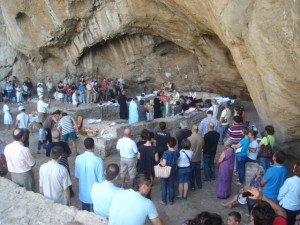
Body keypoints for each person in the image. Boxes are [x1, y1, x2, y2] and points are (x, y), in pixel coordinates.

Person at [75, 137, 104, 211]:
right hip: (95, 192)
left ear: (84, 146)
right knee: (96, 213)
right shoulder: (98, 160)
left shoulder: (78, 158)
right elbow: (101, 180)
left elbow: (77, 177)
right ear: (94, 145)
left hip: (83, 191)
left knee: (85, 213)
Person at [137, 131, 158, 199]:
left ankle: (140, 194)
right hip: (151, 168)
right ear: (151, 138)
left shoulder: (140, 147)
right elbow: (156, 159)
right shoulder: (154, 149)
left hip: (142, 167)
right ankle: (148, 196)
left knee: (141, 181)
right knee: (150, 183)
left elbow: (138, 158)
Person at [160, 137, 180, 205]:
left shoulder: (166, 153)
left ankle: (164, 200)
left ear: (168, 144)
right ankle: (171, 200)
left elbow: (164, 164)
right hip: (173, 170)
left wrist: (161, 161)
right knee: (171, 186)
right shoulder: (177, 152)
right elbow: (177, 161)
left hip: (165, 171)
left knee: (164, 186)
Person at [188, 125, 204, 190]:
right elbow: (203, 146)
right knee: (198, 172)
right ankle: (199, 185)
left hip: (191, 159)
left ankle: (192, 186)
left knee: (191, 173)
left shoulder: (189, 138)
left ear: (192, 130)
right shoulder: (201, 138)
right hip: (198, 158)